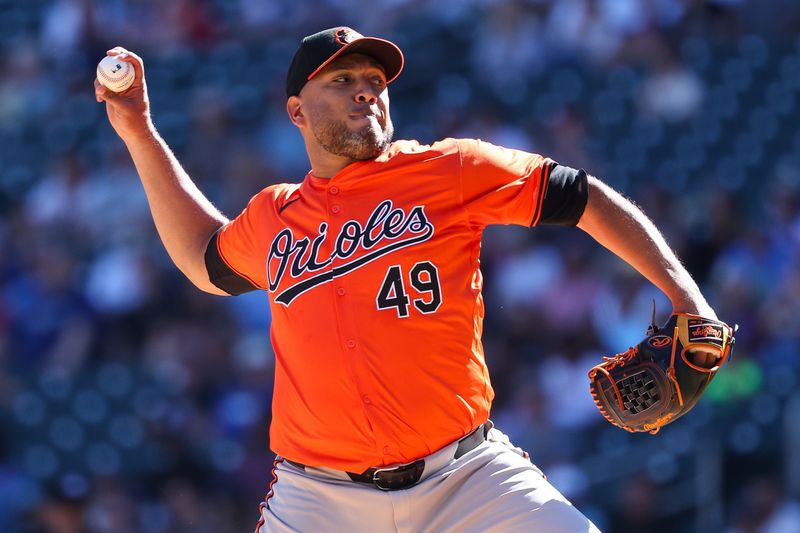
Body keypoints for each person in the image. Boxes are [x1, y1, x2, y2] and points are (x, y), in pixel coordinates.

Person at [94, 26, 720, 533]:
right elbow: (206, 260)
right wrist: (139, 130)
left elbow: (582, 196)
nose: (366, 91)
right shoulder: (273, 217)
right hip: (320, 500)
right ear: (296, 112)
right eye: (342, 81)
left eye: (374, 80)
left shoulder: (449, 170)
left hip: (469, 478)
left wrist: (688, 300)